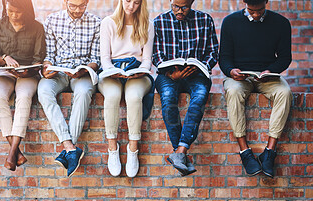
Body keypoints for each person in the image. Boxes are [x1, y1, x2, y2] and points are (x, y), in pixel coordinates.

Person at [219, 0, 292, 178]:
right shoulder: (230, 22)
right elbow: (224, 58)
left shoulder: (281, 23)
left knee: (285, 92)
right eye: (252, 11)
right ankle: (245, 151)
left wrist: (271, 71)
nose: (256, 14)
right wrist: (231, 71)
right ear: (244, 3)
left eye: (259, 10)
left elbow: (285, 57)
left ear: (266, 2)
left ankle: (270, 152)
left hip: (267, 76)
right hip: (240, 77)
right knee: (234, 92)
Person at [153, 0, 218, 176]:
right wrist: (169, 74)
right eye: (175, 7)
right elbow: (156, 55)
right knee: (167, 98)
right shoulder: (159, 21)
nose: (179, 11)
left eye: (184, 7)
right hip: (169, 74)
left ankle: (179, 151)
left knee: (200, 95)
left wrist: (200, 66)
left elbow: (213, 52)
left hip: (195, 74)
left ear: (191, 3)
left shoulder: (205, 20)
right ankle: (180, 153)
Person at [38, 0, 100, 177]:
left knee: (84, 92)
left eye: (82, 6)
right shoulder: (52, 21)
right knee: (43, 90)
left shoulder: (96, 22)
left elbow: (96, 58)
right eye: (72, 5)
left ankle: (68, 149)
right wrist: (48, 67)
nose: (77, 10)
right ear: (65, 1)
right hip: (58, 72)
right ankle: (70, 147)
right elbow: (49, 55)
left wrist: (85, 69)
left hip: (82, 73)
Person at [98, 0, 154, 177]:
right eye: (128, 1)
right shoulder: (108, 23)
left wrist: (140, 72)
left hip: (137, 72)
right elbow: (105, 58)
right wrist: (113, 72)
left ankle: (133, 148)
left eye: (136, 3)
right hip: (112, 71)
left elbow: (147, 59)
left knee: (133, 96)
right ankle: (112, 147)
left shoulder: (147, 25)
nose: (131, 6)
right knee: (113, 95)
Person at [0, 0, 46, 171]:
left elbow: (39, 59)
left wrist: (26, 72)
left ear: (26, 11)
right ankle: (17, 153)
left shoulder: (37, 28)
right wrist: (5, 58)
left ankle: (12, 152)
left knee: (24, 97)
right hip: (5, 73)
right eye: (10, 11)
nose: (13, 15)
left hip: (28, 74)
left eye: (17, 12)